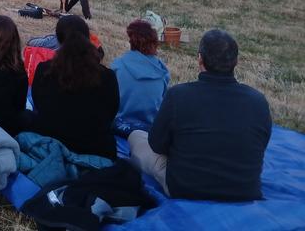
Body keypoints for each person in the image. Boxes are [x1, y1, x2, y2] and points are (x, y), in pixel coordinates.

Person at [127, 29, 271, 201]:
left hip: (185, 187)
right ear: (236, 61)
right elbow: (261, 144)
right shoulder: (258, 101)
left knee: (136, 137)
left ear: (200, 59)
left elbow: (156, 145)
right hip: (244, 191)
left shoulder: (178, 96)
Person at [31, 15, 119, 159]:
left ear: (58, 40)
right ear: (87, 38)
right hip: (95, 151)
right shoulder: (107, 77)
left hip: (49, 146)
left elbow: (38, 105)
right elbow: (111, 113)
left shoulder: (43, 71)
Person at [110, 20, 169, 131]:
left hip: (120, 126)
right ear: (154, 43)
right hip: (150, 128)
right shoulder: (162, 70)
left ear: (131, 41)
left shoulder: (117, 66)